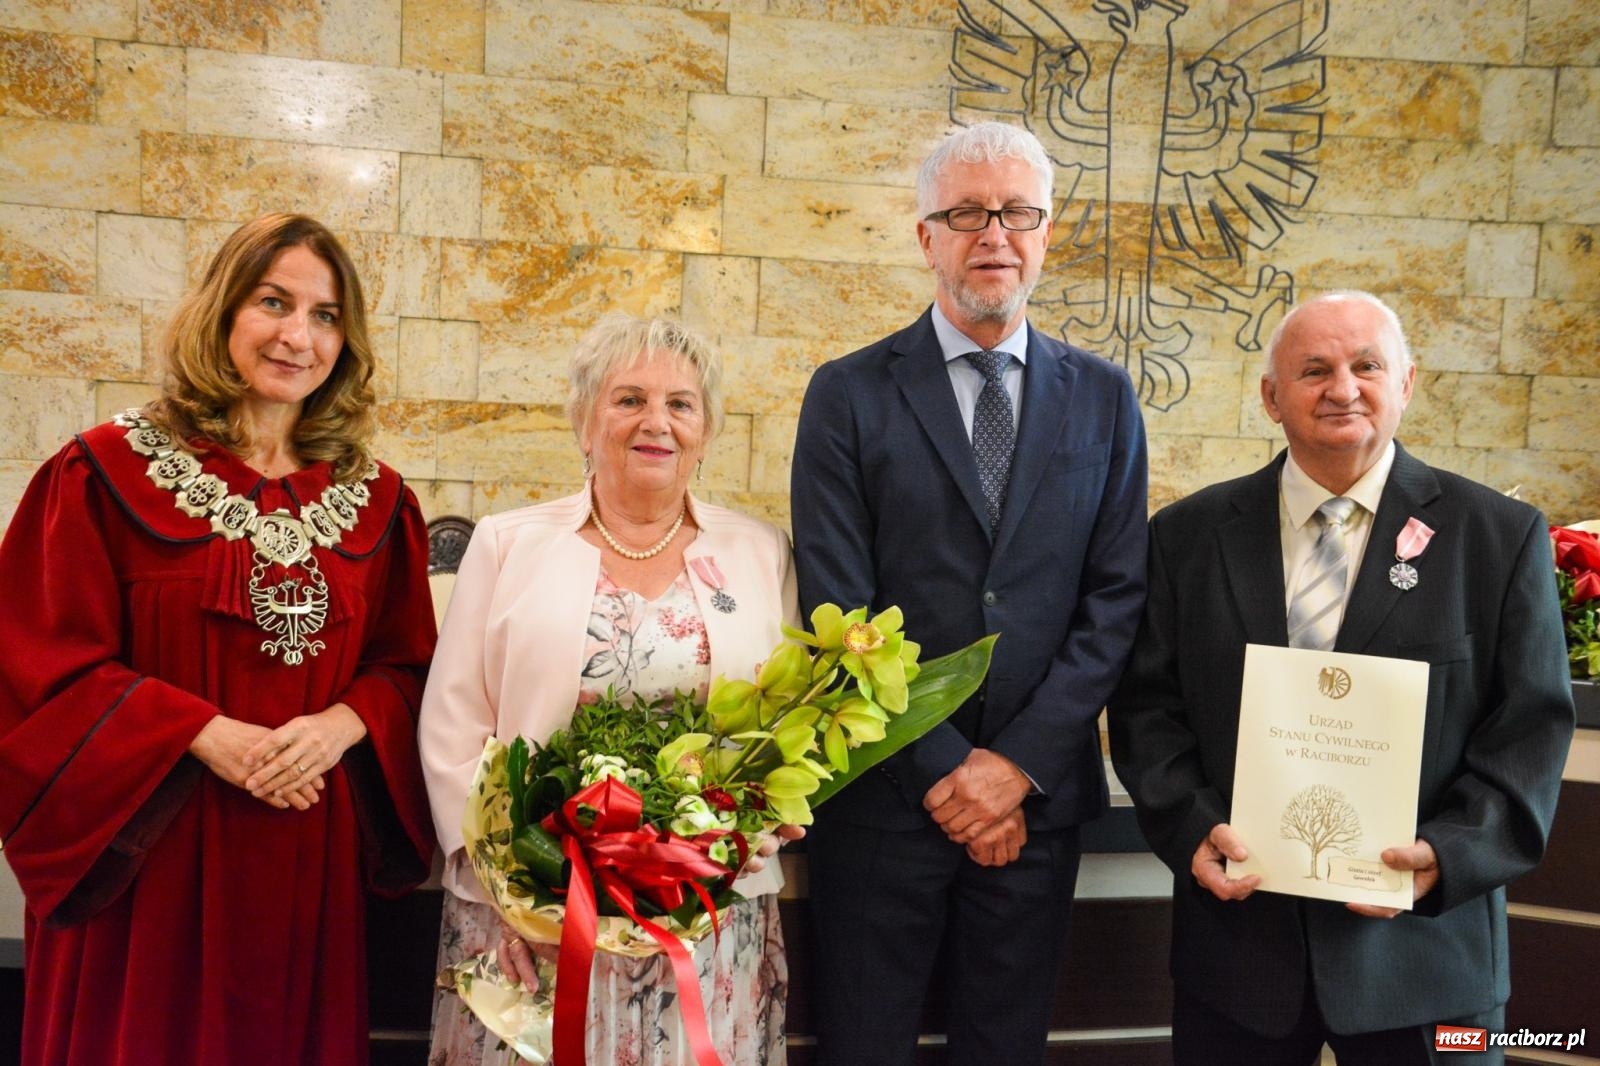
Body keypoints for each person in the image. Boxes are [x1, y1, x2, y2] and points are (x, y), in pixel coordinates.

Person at [0, 213, 438, 1065]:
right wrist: (203, 733)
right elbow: (38, 666)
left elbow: (412, 669)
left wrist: (339, 725)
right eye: (273, 302)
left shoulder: (381, 503)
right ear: (224, 310)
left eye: (325, 315)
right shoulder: (99, 474)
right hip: (144, 861)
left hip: (306, 863)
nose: (296, 336)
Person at [1109, 291, 1575, 1064]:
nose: (1343, 388)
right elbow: (1147, 708)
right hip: (1240, 956)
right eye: (1314, 369)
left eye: (1367, 366)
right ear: (1269, 397)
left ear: (1407, 383)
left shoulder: (1496, 537)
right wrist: (1190, 828)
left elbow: (1530, 728)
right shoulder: (1187, 536)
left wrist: (1448, 855)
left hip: (1428, 963)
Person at [789, 121, 1149, 1065]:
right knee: (861, 1046)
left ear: (1046, 230)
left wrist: (1011, 768)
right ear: (926, 237)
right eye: (966, 213)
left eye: (1017, 212)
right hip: (882, 800)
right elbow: (839, 607)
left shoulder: (1106, 399)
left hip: (1035, 803)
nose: (995, 233)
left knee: (1006, 1048)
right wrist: (950, 770)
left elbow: (1115, 602)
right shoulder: (847, 392)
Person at [419, 313, 801, 1066]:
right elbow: (453, 727)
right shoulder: (508, 543)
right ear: (585, 421)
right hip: (536, 921)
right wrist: (509, 897)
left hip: (708, 920)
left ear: (706, 429)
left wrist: (755, 824)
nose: (656, 422)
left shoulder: (760, 550)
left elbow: (786, 728)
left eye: (680, 404)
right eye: (628, 399)